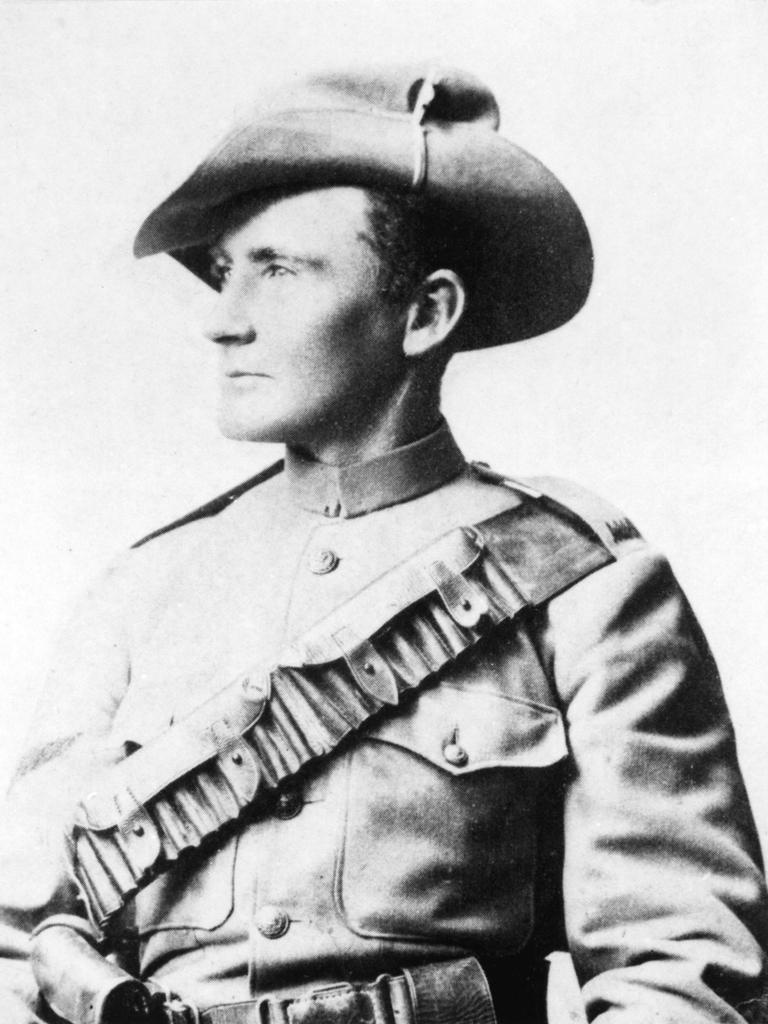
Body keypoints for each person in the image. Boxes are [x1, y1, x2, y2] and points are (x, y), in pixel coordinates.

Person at [0, 64, 765, 1024]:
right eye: (227, 271)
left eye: (278, 270)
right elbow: (17, 952)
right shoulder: (142, 592)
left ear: (425, 314)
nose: (223, 319)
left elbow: (681, 971)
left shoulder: (586, 588)